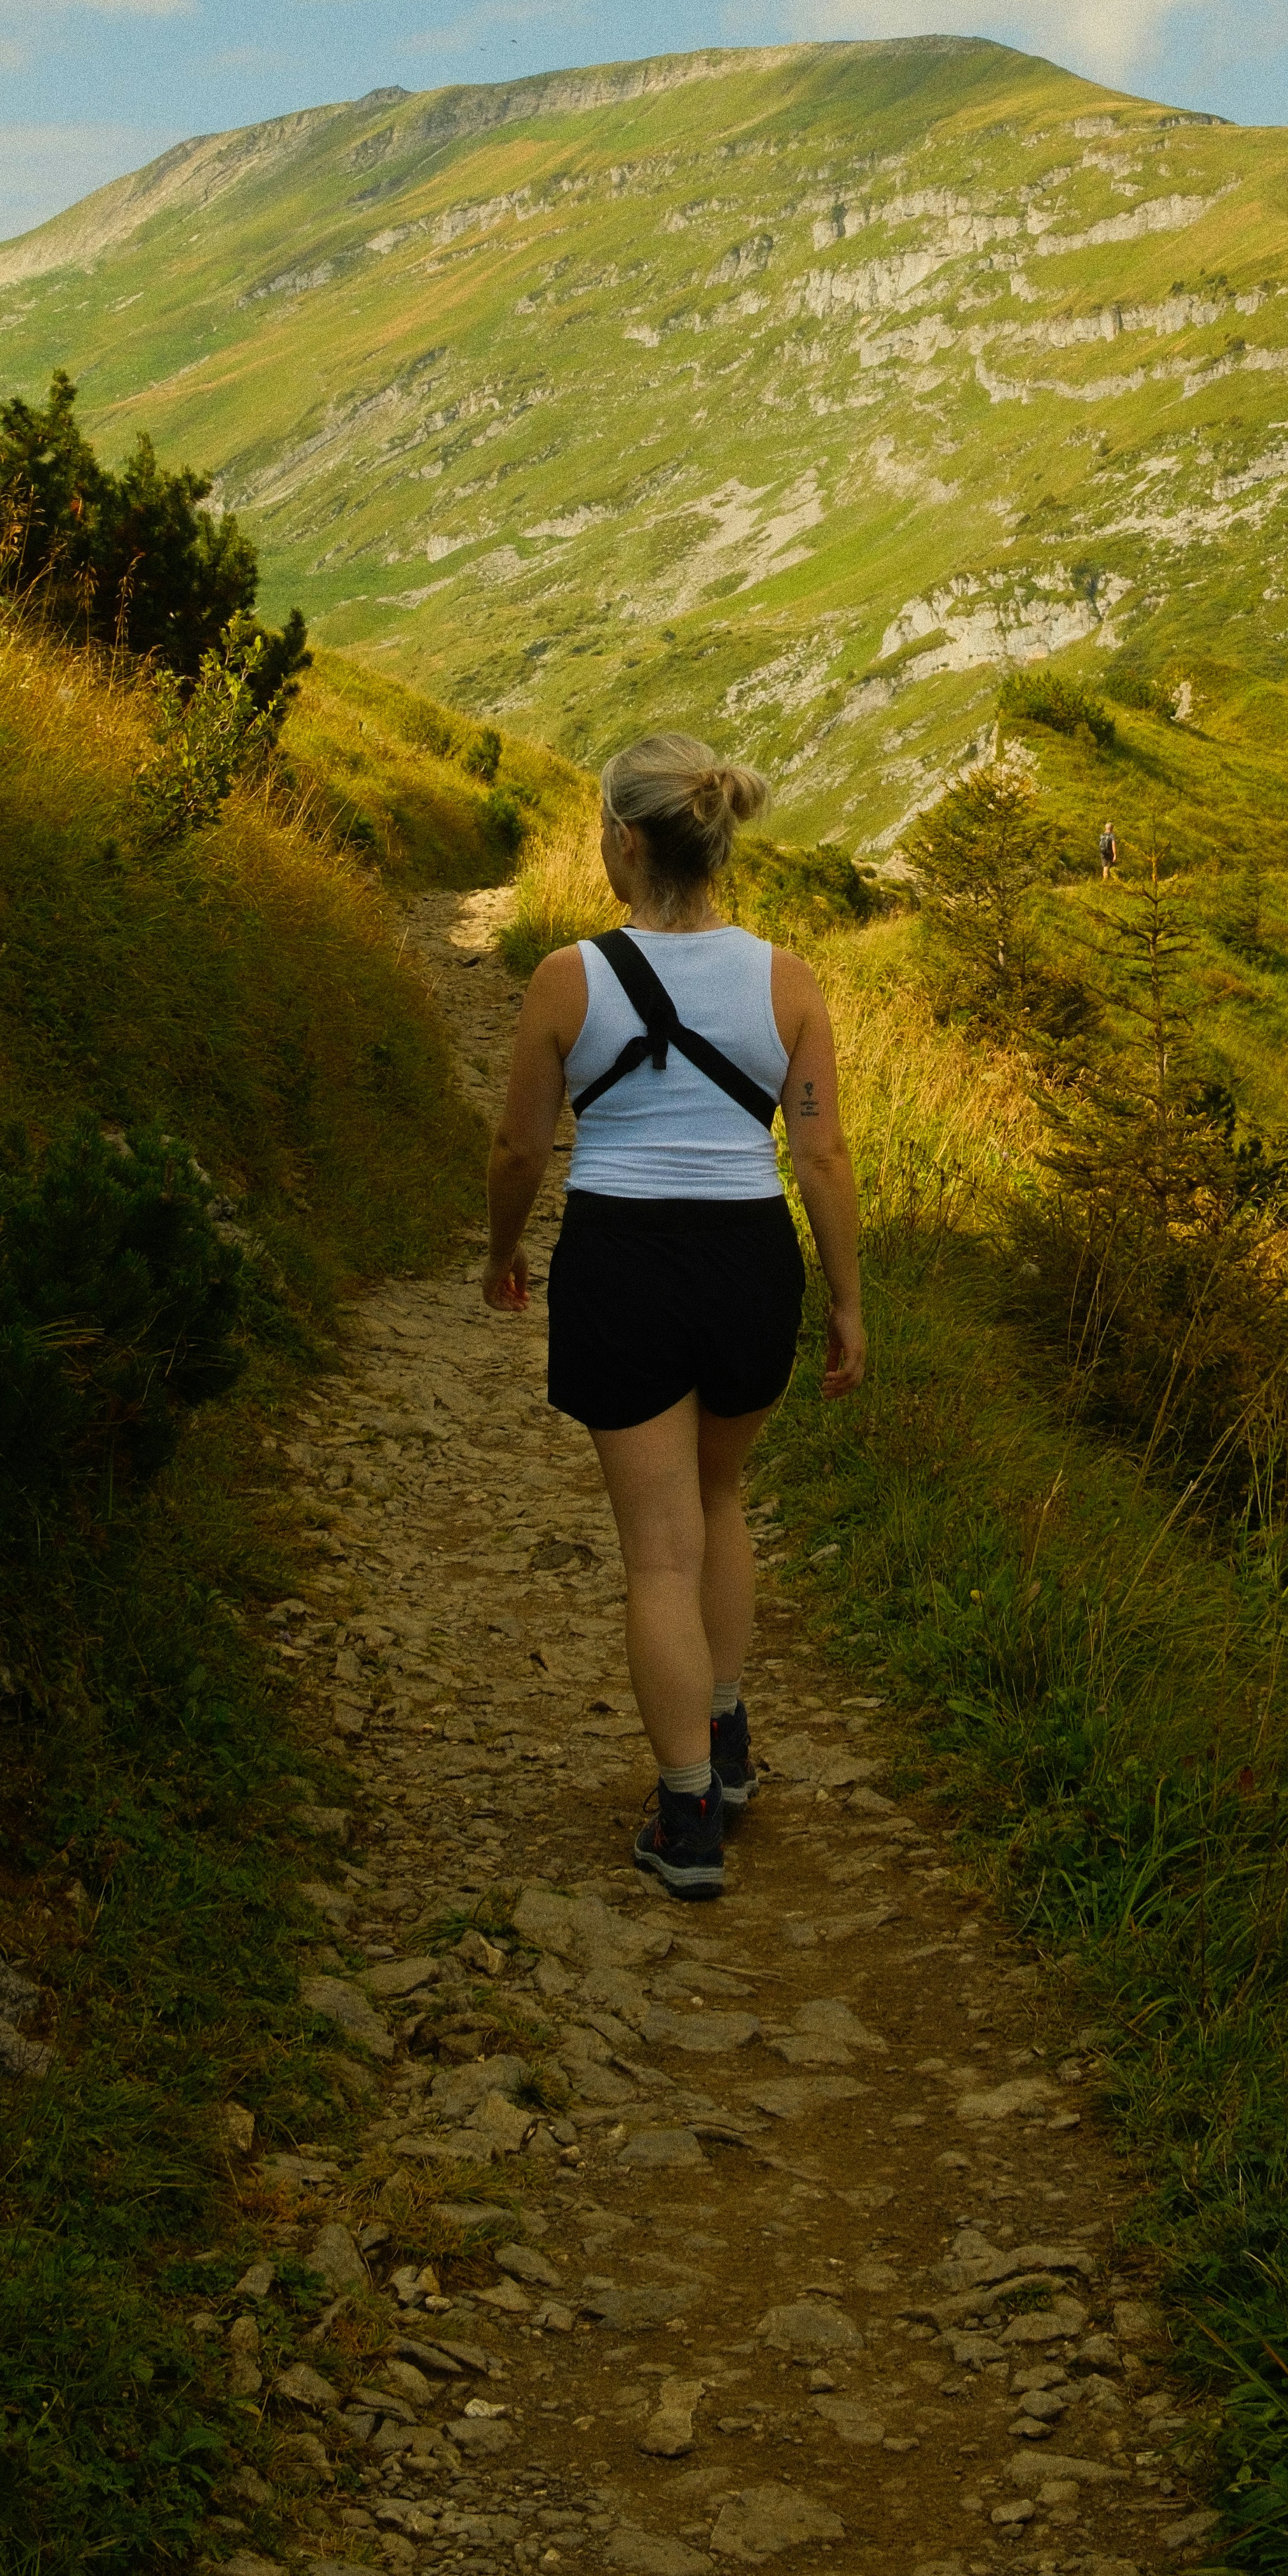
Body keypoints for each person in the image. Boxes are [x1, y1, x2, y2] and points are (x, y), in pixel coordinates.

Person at [482, 735, 865, 1900]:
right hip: (750, 1262)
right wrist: (847, 1302)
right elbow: (822, 1153)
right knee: (717, 1498)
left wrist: (499, 1250)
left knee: (656, 1552)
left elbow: (517, 1145)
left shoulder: (567, 978)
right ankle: (728, 1736)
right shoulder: (786, 981)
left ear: (627, 840)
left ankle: (688, 1812)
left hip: (624, 1258)